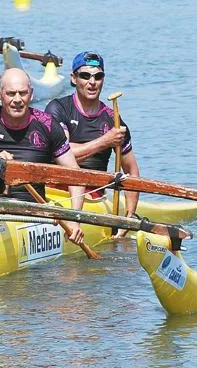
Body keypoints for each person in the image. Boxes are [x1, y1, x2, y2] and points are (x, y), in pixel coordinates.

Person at [0, 68, 86, 244]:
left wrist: (75, 220)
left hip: (33, 211)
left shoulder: (47, 124)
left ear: (31, 94)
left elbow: (75, 174)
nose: (17, 99)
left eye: (22, 93)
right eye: (11, 93)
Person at [44, 51, 140, 233]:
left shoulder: (113, 120)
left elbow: (131, 171)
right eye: (85, 76)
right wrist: (105, 141)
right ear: (74, 78)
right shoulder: (58, 109)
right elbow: (62, 156)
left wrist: (129, 218)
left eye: (98, 76)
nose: (92, 82)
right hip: (54, 190)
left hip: (92, 196)